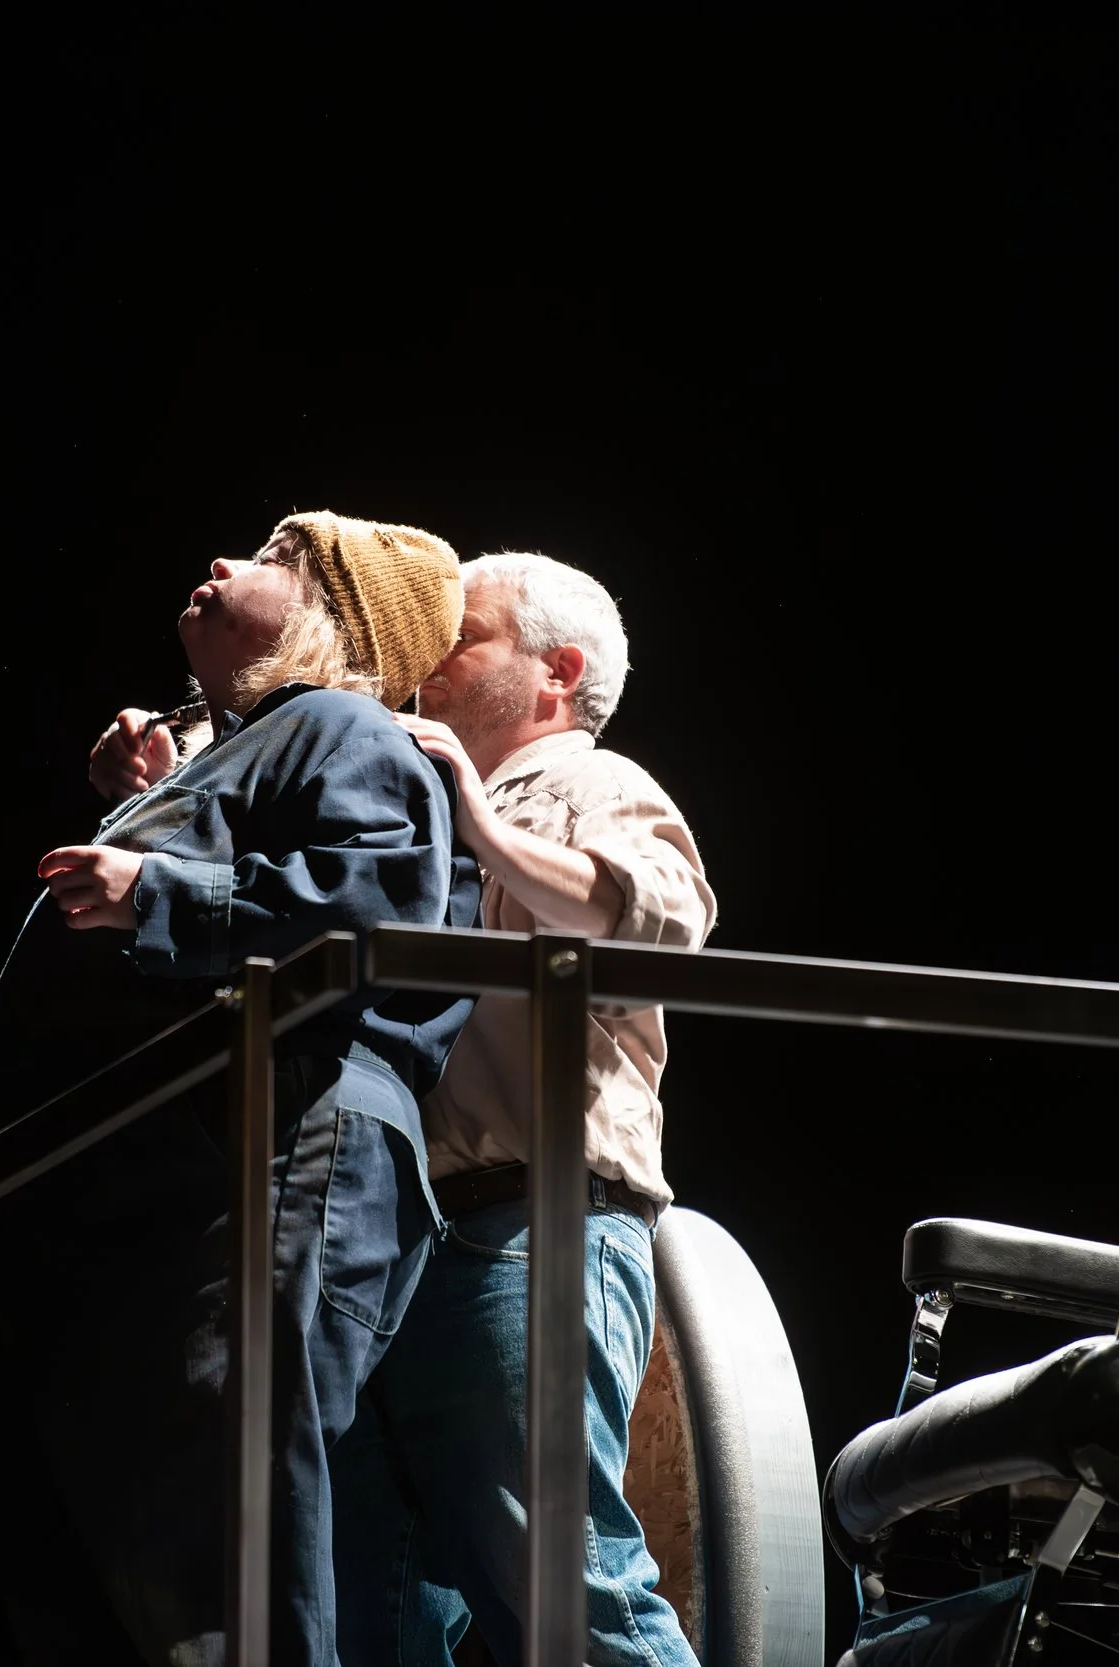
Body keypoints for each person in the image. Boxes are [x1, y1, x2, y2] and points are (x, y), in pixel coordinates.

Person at [0, 510, 480, 1667]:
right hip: (120, 1203)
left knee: (211, 1558)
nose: (222, 564)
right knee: (97, 1561)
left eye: (276, 560)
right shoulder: (256, 746)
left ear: (335, 617)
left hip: (250, 1161)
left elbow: (376, 912)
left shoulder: (342, 724)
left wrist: (158, 891)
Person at [338, 551, 717, 1667]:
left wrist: (484, 824)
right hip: (402, 1242)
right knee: (373, 1604)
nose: (430, 657)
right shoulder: (429, 790)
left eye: (465, 635)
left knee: (563, 1588)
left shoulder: (595, 781)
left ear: (556, 670)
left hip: (528, 1223)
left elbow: (658, 921)